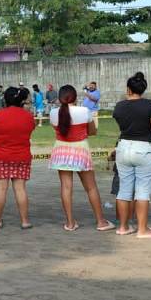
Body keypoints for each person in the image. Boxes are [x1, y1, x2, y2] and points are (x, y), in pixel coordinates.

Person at [49, 85, 115, 232]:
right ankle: (100, 222)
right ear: (75, 97)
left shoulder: (53, 113)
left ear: (60, 98)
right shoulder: (84, 111)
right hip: (80, 150)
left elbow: (58, 130)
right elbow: (92, 131)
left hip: (61, 151)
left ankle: (70, 223)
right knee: (91, 187)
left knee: (66, 187)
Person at [112, 72, 151, 239]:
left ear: (128, 89)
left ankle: (123, 226)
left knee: (124, 190)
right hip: (144, 148)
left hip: (123, 147)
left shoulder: (119, 106)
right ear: (143, 89)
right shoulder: (150, 105)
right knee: (142, 190)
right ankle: (142, 229)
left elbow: (122, 124)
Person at [0, 87, 35, 229]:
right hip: (21, 156)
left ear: (5, 99)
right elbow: (30, 131)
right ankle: (25, 221)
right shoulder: (28, 116)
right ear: (21, 100)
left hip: (1, 156)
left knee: (1, 188)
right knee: (20, 189)